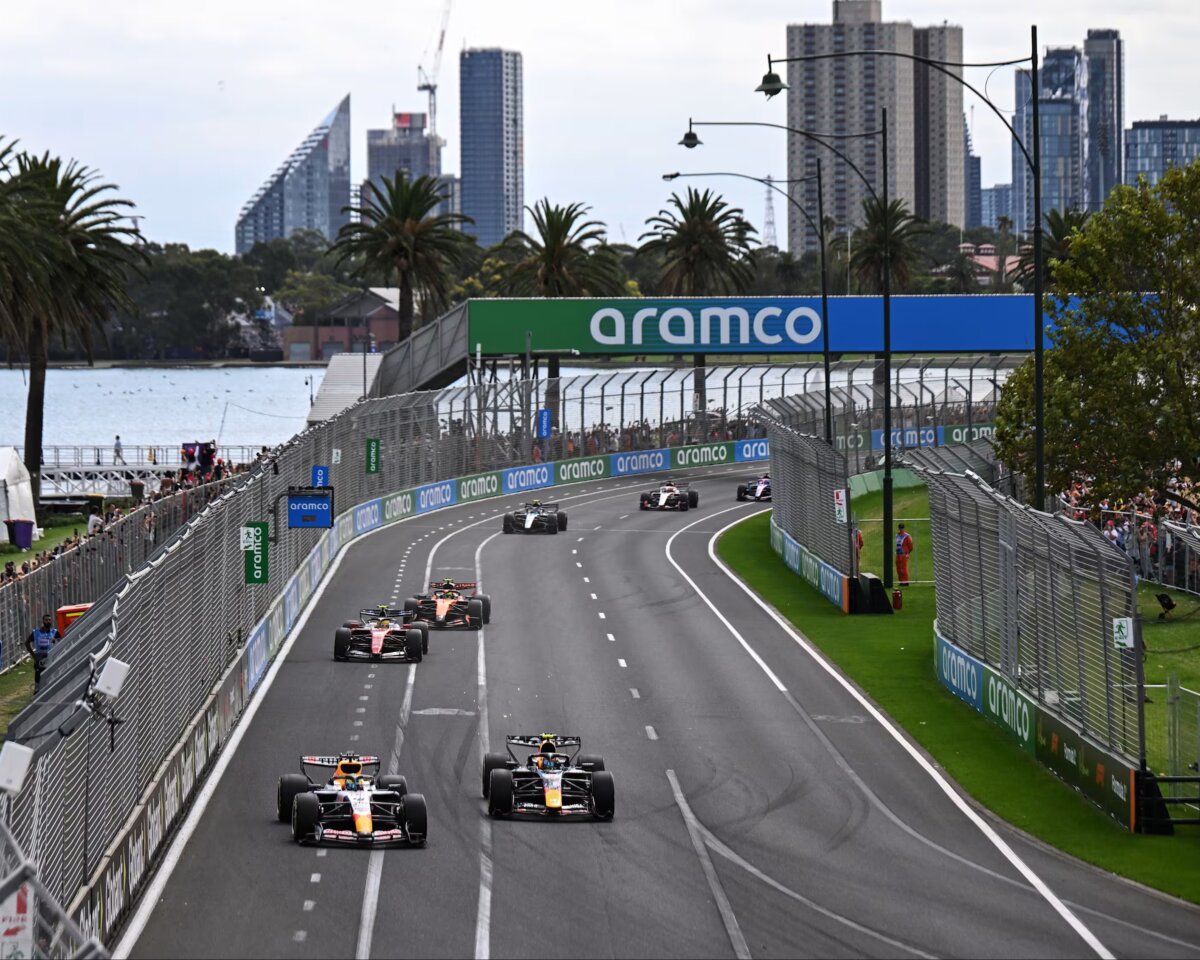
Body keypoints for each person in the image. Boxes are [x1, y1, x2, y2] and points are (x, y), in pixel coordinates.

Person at [26, 613, 60, 690]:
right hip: (39, 657)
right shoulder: (36, 632)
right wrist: (33, 655)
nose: (48, 621)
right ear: (43, 621)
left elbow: (62, 642)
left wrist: (57, 652)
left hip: (50, 657)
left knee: (50, 674)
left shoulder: (55, 632)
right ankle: (37, 689)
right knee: (38, 674)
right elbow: (27, 642)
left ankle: (50, 689)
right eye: (46, 620)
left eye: (50, 620)